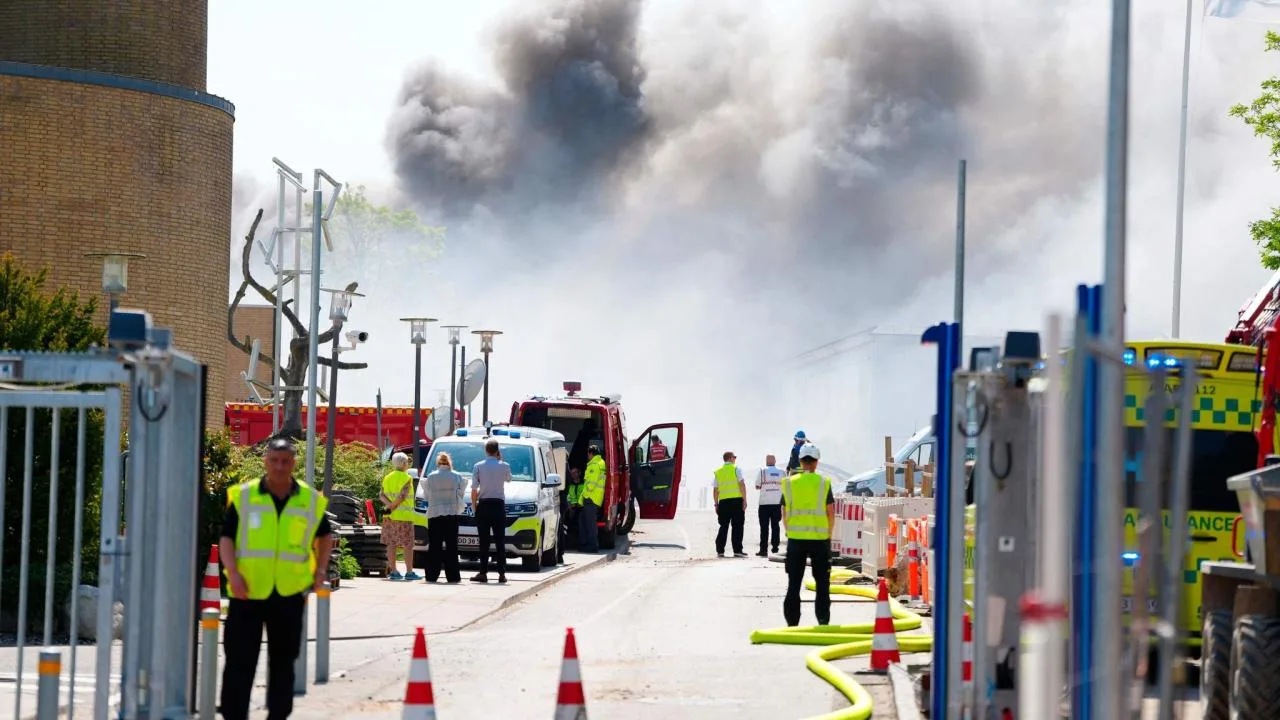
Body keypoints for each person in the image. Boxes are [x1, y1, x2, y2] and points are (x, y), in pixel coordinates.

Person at [219, 437, 332, 720]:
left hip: (289, 594)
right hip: (247, 592)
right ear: (265, 462)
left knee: (283, 662)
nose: (279, 467)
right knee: (239, 661)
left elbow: (325, 536)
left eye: (285, 461)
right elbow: (226, 539)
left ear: (293, 464)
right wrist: (233, 572)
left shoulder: (309, 500)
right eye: (274, 461)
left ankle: (278, 716)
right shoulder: (245, 496)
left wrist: (320, 570)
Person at [781, 442, 836, 627]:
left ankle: (792, 625)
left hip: (796, 541)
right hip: (820, 541)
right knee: (822, 585)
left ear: (800, 461)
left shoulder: (789, 483)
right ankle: (823, 623)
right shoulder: (823, 483)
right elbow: (830, 512)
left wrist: (790, 532)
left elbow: (784, 513)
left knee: (793, 585)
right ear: (816, 462)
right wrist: (828, 535)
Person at [470, 439, 511, 583]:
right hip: (498, 506)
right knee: (500, 541)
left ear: (486, 451)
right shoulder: (504, 466)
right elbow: (508, 479)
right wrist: (500, 460)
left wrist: (475, 507)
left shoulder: (478, 466)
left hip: (484, 505)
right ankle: (502, 574)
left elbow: (474, 490)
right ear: (497, 451)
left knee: (484, 542)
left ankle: (483, 573)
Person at [424, 451, 466, 584]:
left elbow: (426, 496)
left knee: (434, 546)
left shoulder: (431, 476)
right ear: (449, 463)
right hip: (451, 514)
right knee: (452, 546)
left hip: (435, 513)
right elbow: (461, 494)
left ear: (438, 463)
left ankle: (432, 575)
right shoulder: (456, 476)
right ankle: (453, 576)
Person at [380, 452, 419, 580]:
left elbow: (381, 495)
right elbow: (402, 496)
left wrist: (389, 506)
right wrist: (393, 506)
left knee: (391, 543)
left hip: (389, 516)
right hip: (404, 516)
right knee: (408, 545)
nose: (408, 464)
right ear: (403, 464)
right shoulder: (407, 478)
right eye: (407, 462)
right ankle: (409, 572)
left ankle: (394, 571)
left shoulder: (387, 477)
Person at [713, 450, 748, 557]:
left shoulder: (718, 472)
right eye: (734, 457)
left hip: (723, 503)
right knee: (737, 526)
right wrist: (745, 500)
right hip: (736, 502)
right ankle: (737, 551)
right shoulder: (737, 469)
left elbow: (715, 490)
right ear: (730, 458)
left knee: (723, 526)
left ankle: (720, 551)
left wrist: (716, 504)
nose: (735, 459)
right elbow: (742, 484)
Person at [756, 453, 785, 557]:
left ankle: (763, 550)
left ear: (766, 461)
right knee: (775, 526)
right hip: (777, 503)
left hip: (764, 503)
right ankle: (775, 548)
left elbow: (757, 486)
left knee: (764, 527)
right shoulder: (782, 472)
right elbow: (786, 487)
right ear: (775, 461)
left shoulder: (762, 471)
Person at [579, 445, 606, 553]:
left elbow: (590, 485)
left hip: (591, 498)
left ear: (591, 453)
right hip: (595, 498)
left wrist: (584, 496)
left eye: (588, 453)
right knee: (584, 521)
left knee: (590, 524)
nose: (587, 455)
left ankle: (592, 546)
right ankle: (586, 544)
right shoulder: (600, 463)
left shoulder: (594, 465)